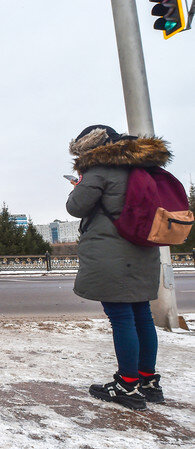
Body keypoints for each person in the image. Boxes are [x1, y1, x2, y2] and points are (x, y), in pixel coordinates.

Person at [66, 124, 168, 411]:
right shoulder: (142, 168)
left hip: (112, 253)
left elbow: (76, 207)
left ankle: (126, 386)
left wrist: (79, 185)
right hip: (143, 250)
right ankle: (148, 382)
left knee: (122, 319)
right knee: (142, 317)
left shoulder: (99, 170)